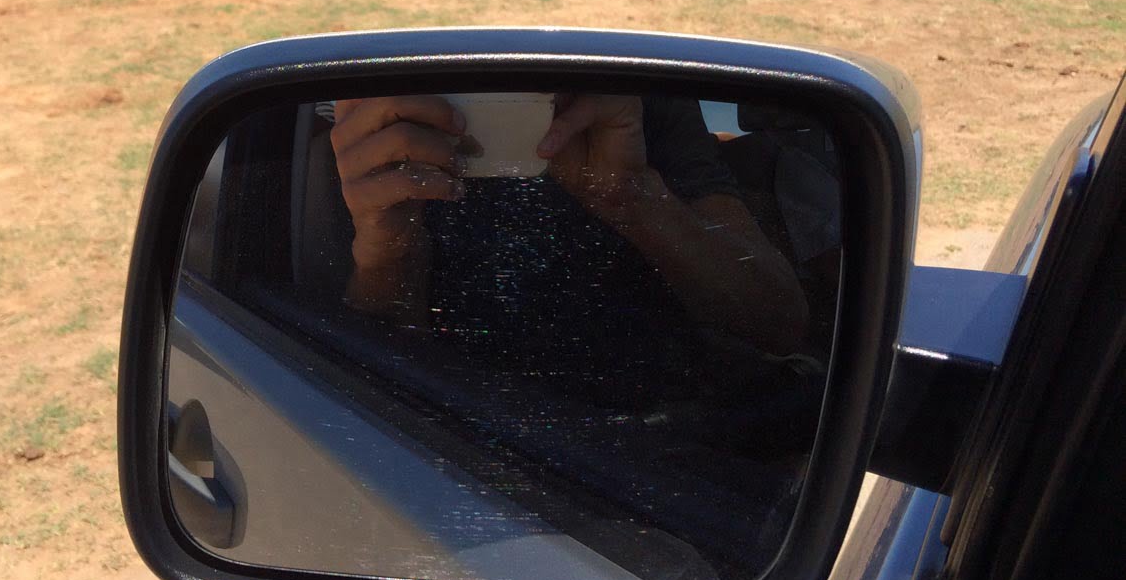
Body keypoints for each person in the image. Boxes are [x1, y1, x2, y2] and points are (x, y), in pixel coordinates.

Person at [330, 93, 810, 377]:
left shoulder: (634, 99)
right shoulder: (381, 122)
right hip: (453, 426)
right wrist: (388, 248)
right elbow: (371, 363)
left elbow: (778, 321)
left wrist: (630, 196)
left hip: (665, 431)